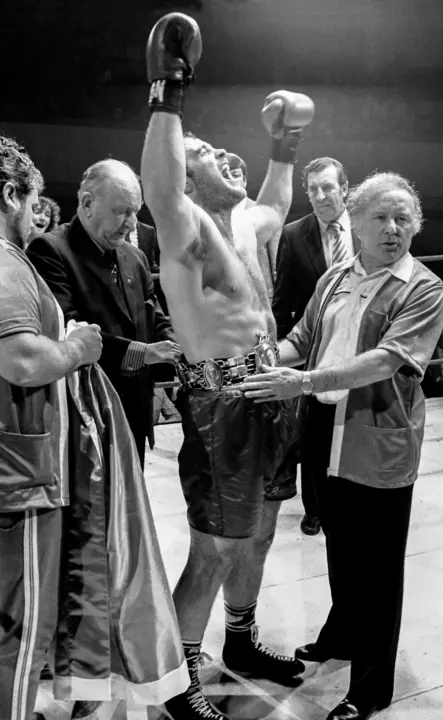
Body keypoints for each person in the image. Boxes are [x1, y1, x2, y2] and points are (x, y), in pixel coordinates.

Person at [141, 12, 315, 720]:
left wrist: (284, 143)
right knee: (214, 546)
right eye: (207, 152)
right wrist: (168, 95)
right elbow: (162, 185)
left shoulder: (245, 222)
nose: (225, 156)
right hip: (222, 404)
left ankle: (239, 641)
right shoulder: (186, 228)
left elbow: (275, 198)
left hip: (272, 392)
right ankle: (184, 681)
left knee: (265, 527)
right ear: (190, 171)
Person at [242, 171, 443, 720]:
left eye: (403, 217)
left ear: (416, 226)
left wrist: (304, 382)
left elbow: (387, 359)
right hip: (322, 435)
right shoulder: (336, 278)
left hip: (375, 442)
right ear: (354, 223)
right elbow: (304, 338)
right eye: (380, 217)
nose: (392, 228)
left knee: (378, 567)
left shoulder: (424, 288)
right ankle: (341, 635)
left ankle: (370, 689)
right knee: (338, 545)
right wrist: (270, 360)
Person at [0, 134, 102, 720]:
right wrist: (77, 348)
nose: (37, 215)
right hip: (20, 480)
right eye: (33, 200)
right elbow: (23, 361)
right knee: (20, 634)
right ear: (11, 193)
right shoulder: (8, 262)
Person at [27, 159, 181, 468]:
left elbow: (155, 317)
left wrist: (177, 347)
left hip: (135, 409)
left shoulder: (135, 256)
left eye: (135, 212)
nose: (132, 224)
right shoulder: (50, 250)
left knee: (129, 512)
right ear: (86, 203)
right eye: (122, 212)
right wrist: (145, 353)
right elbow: (67, 331)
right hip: (86, 411)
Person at [272, 156, 359, 536]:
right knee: (315, 432)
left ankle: (353, 497)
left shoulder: (367, 226)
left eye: (328, 187)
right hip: (314, 347)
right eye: (313, 189)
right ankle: (315, 508)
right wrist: (278, 350)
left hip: (362, 340)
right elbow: (283, 298)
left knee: (357, 423)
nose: (321, 195)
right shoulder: (293, 234)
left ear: (344, 188)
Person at [229, 152, 280, 301]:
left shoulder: (263, 213)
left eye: (235, 175)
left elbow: (277, 264)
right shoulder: (210, 217)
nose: (231, 180)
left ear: (244, 180)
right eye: (225, 176)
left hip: (262, 297)